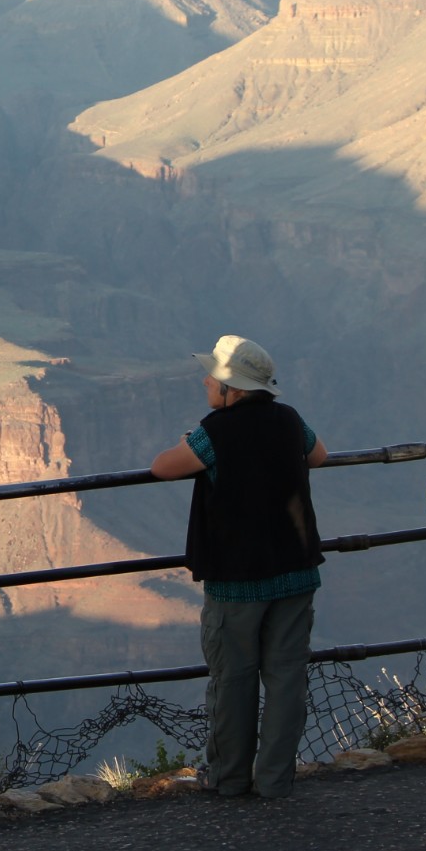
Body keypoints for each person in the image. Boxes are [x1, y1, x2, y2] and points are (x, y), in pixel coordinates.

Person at [149, 335, 327, 800]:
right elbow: (319, 455)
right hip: (296, 571)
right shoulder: (289, 420)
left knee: (233, 678)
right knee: (287, 678)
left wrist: (186, 441)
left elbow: (163, 467)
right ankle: (274, 780)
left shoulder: (215, 431)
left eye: (214, 376)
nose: (206, 380)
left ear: (234, 388)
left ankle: (228, 777)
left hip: (237, 581)